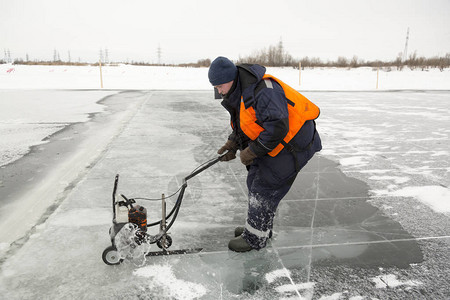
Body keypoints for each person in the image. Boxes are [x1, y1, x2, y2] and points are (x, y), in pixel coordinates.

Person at [208, 56, 322, 252]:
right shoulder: (239, 91)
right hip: (277, 139)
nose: (218, 91)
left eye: (220, 86)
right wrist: (233, 143)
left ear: (231, 79)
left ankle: (255, 238)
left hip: (294, 142)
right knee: (254, 180)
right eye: (215, 87)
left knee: (265, 187)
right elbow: (246, 122)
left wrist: (252, 151)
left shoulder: (263, 91)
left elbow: (277, 127)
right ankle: (258, 228)